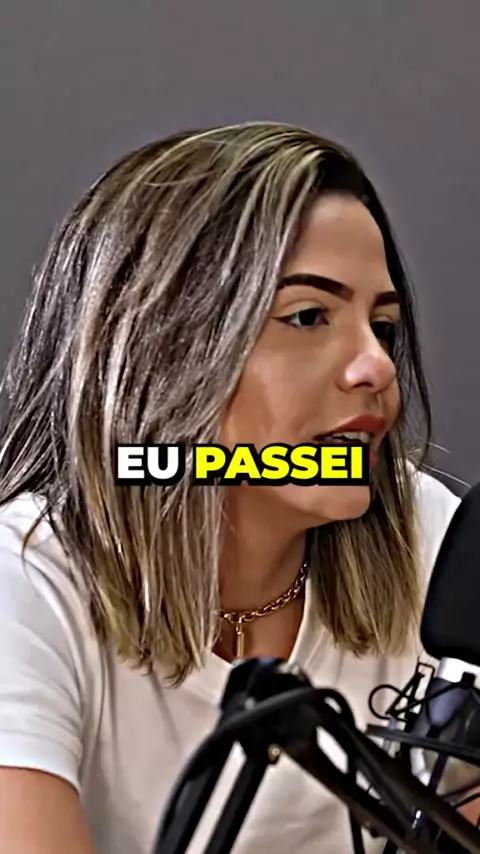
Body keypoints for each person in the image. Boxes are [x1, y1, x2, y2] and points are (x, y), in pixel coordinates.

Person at [0, 121, 466, 853]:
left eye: (382, 326)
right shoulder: (25, 581)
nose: (376, 367)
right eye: (308, 316)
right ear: (161, 346)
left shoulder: (431, 541)